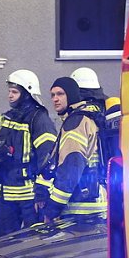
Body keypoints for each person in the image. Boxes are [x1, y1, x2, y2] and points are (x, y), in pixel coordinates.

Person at [0, 69, 56, 238]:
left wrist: (42, 193)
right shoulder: (6, 119)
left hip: (30, 197)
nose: (10, 96)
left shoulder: (39, 119)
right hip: (5, 195)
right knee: (3, 243)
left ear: (27, 94)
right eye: (9, 91)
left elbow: (48, 158)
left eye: (14, 92)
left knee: (33, 243)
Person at [42, 76, 106, 223]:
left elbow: (70, 170)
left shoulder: (75, 124)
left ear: (70, 95)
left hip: (81, 208)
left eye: (60, 94)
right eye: (52, 95)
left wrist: (52, 210)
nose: (55, 99)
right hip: (94, 203)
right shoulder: (89, 117)